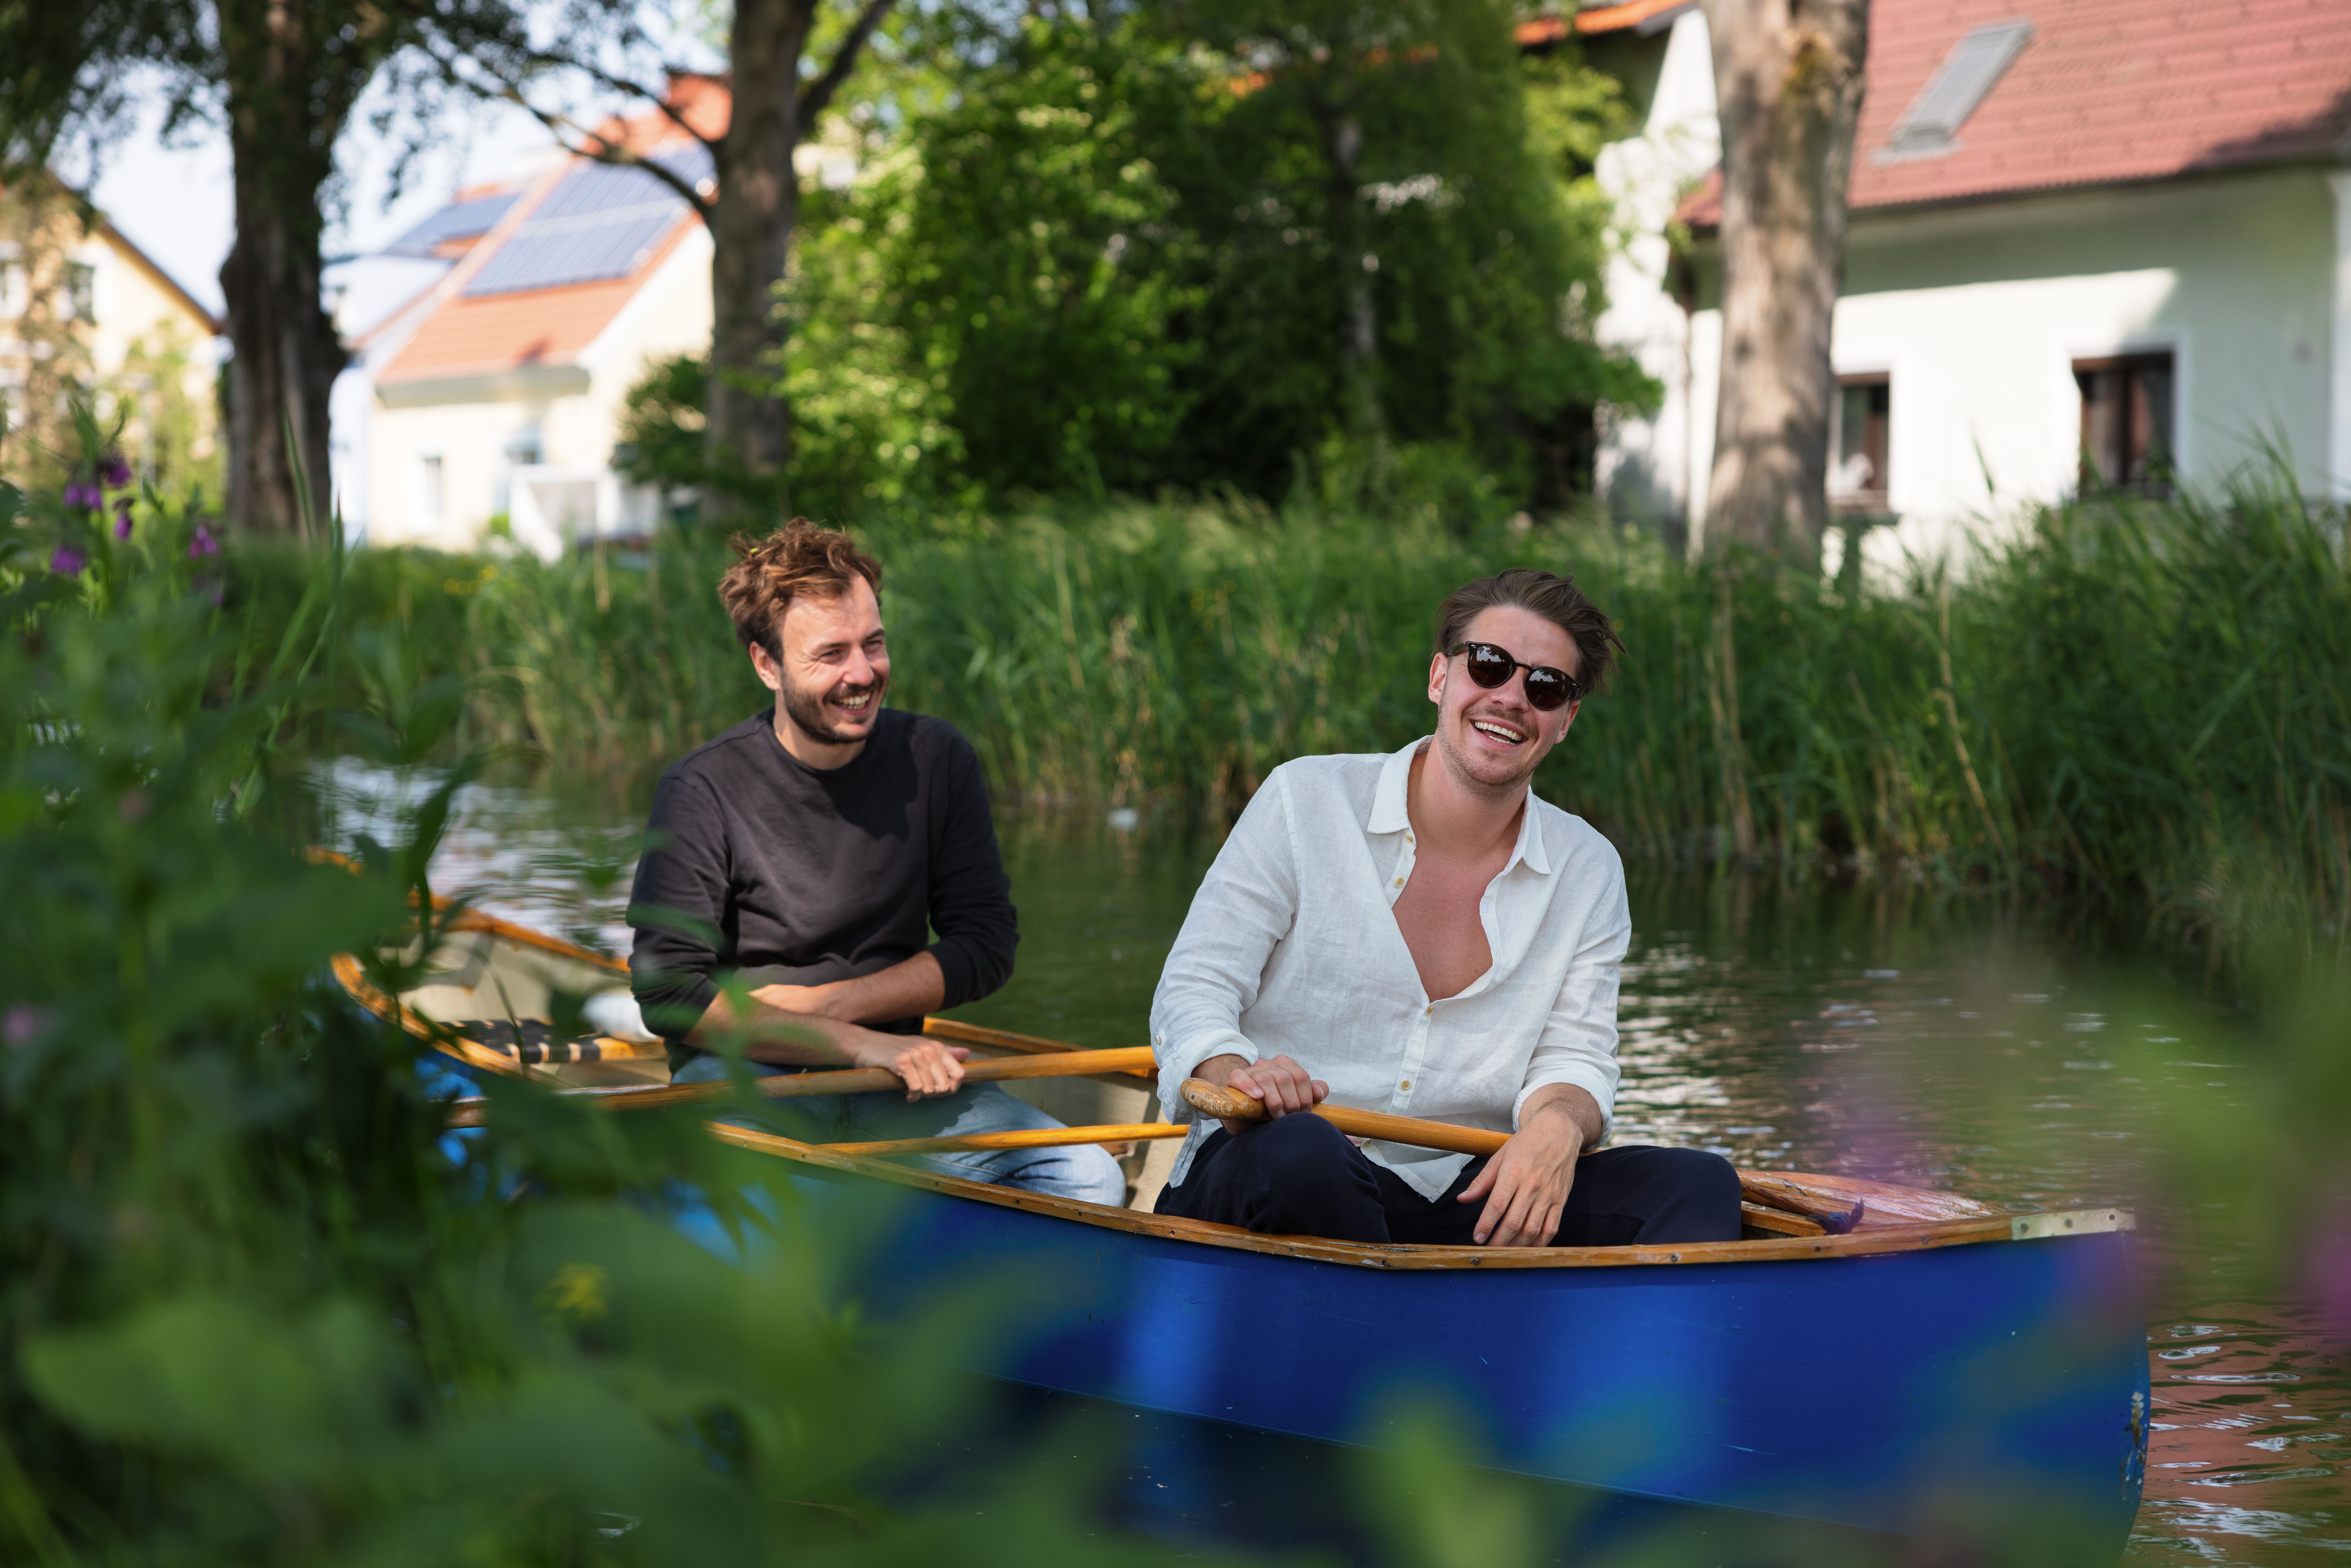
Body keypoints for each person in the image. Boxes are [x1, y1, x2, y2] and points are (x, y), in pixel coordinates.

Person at [1149, 568, 1741, 1247]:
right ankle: (1405, 1334)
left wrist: (1556, 1126)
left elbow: (1576, 1060)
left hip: (1456, 1192)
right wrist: (1234, 1074)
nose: (1513, 697)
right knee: (1304, 1152)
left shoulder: (1588, 867)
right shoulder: (1303, 798)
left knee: (1699, 1184)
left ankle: (1567, 1344)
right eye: (1489, 666)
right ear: (1440, 678)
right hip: (1269, 1163)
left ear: (1565, 719)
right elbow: (1193, 991)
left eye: (1545, 686)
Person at [626, 519, 1126, 1205]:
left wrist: (838, 1010)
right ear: (766, 665)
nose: (862, 674)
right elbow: (668, 992)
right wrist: (853, 1041)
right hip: (745, 1081)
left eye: (874, 643)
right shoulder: (703, 788)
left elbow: (985, 944)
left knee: (1089, 1176)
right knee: (751, 1192)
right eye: (830, 654)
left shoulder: (937, 759)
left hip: (900, 1084)